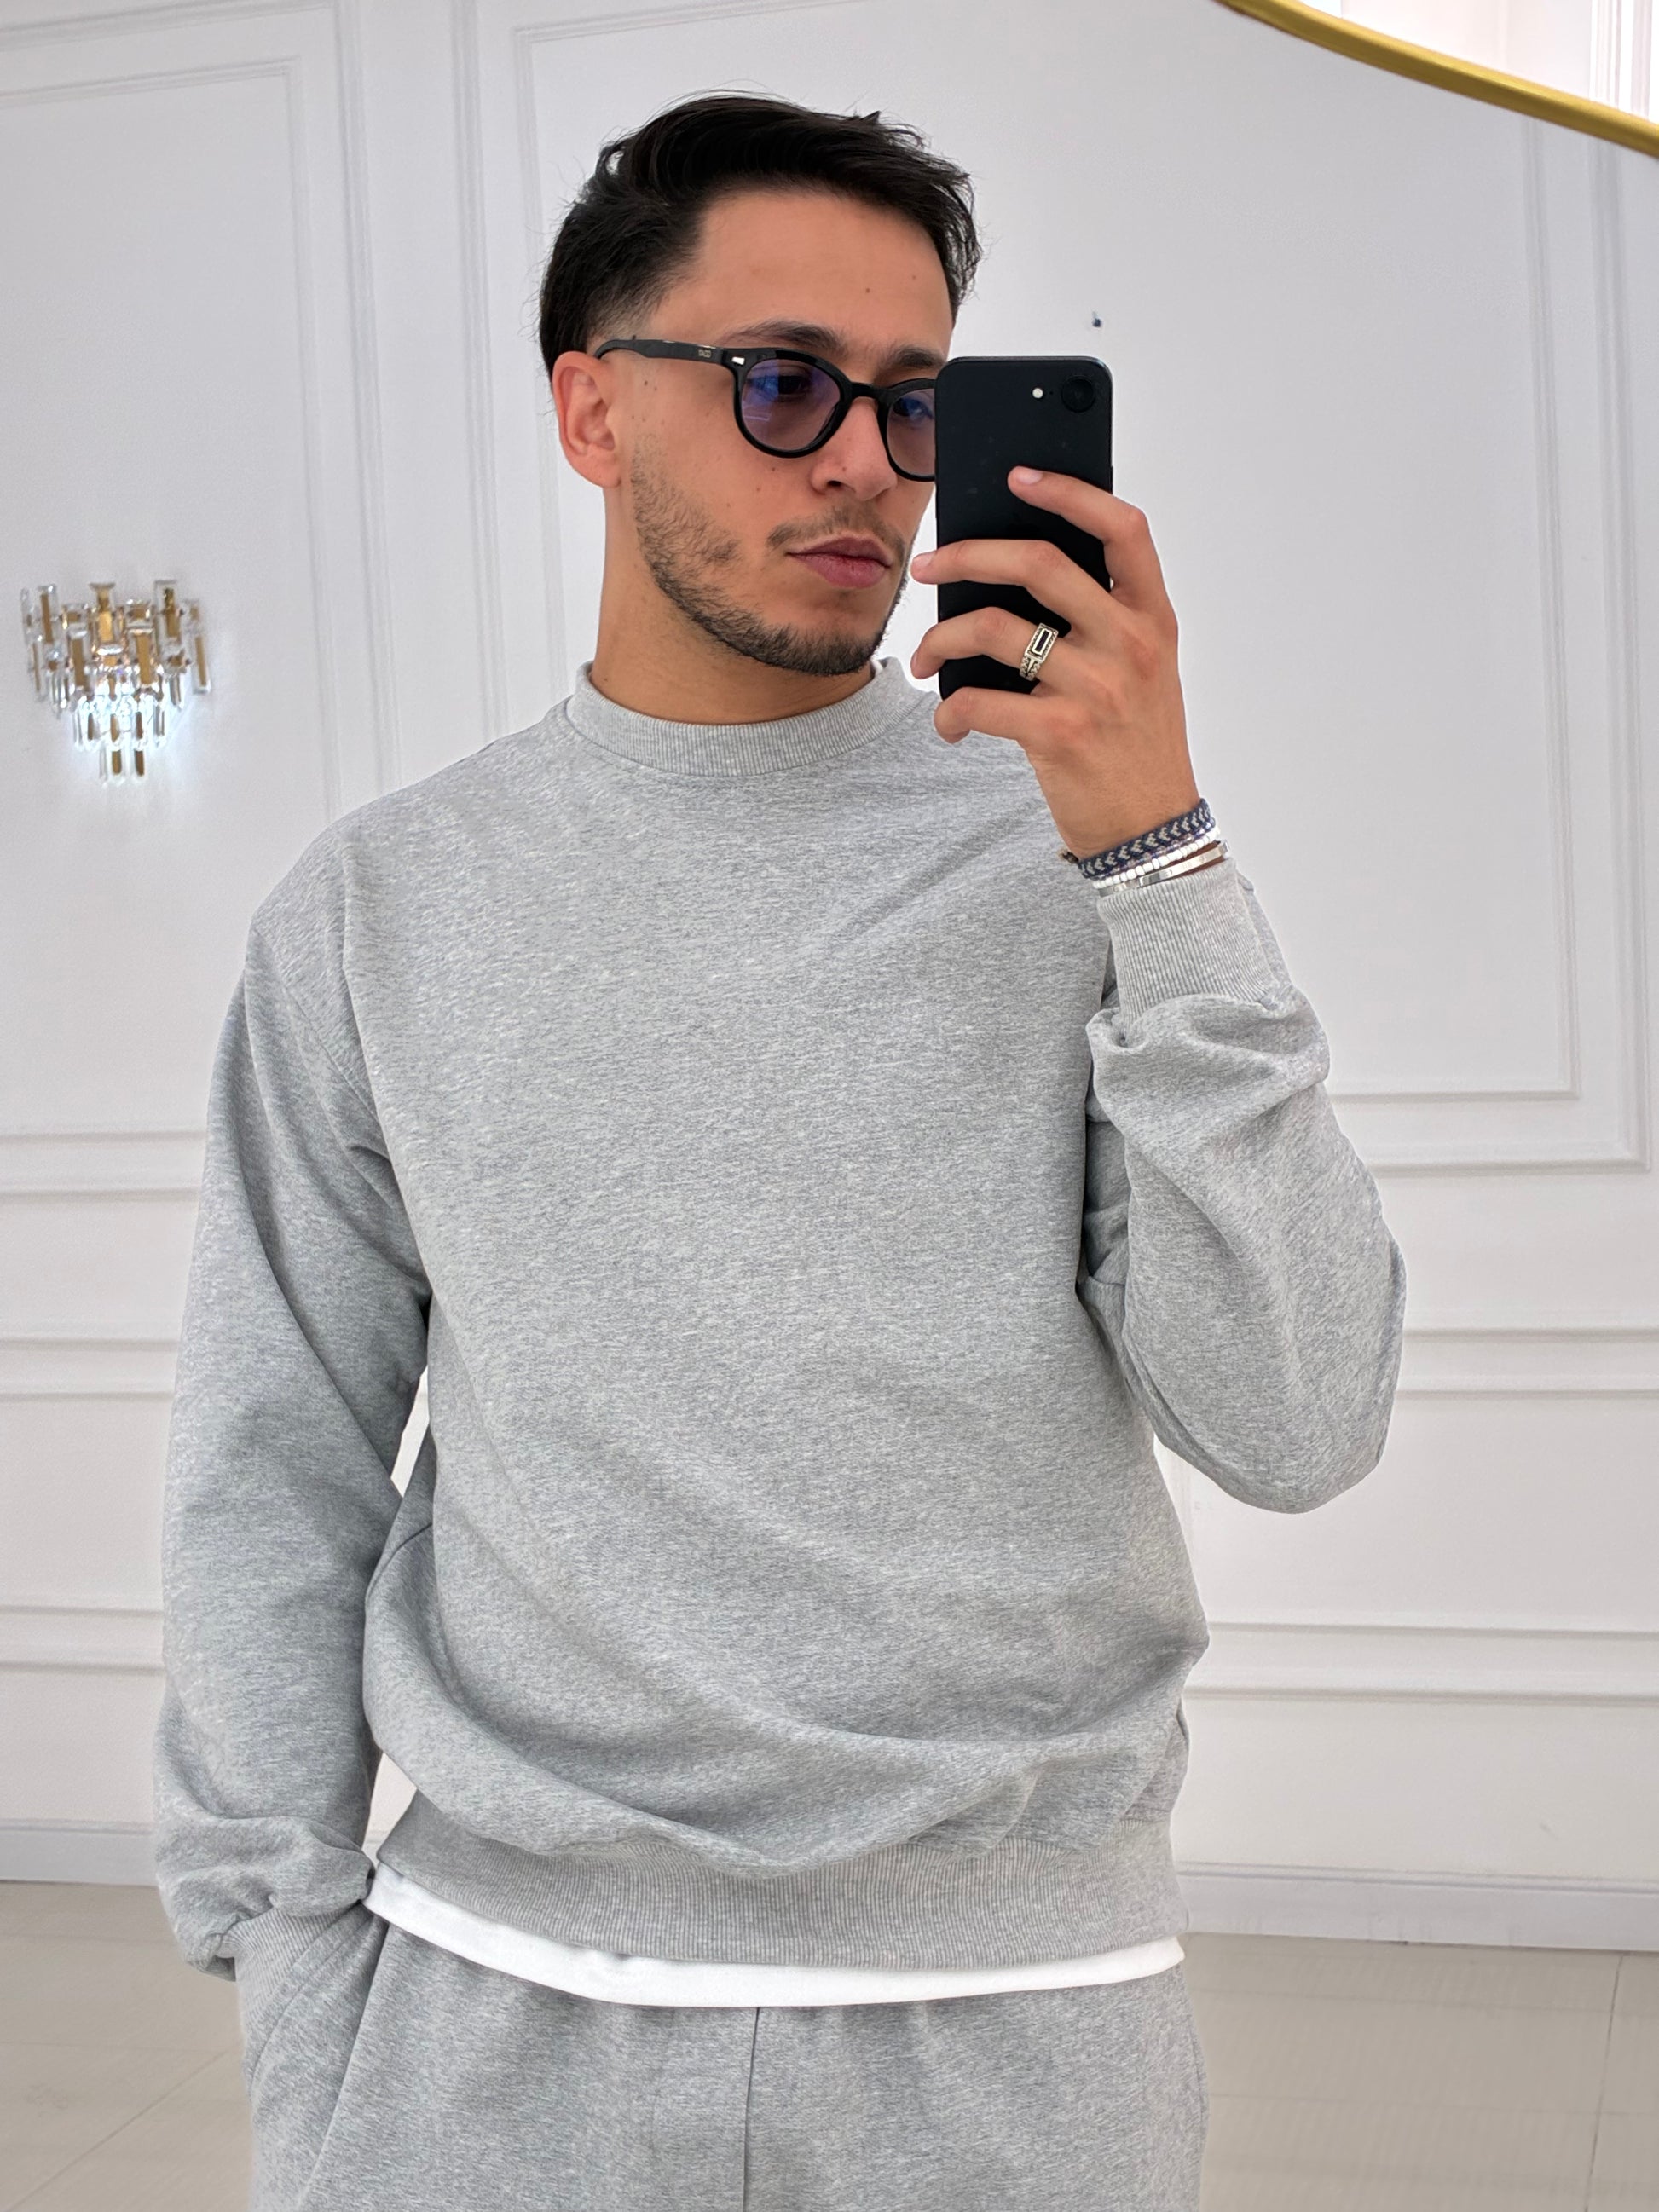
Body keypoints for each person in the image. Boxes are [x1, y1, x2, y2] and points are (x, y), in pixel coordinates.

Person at [153, 90, 1408, 2212]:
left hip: (1018, 2037)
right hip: (484, 2029)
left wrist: (1163, 855)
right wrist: (285, 1961)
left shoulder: (1079, 866)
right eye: (779, 380)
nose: (860, 462)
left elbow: (1300, 1419)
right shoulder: (380, 906)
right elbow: (275, 1460)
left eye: (915, 401)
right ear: (592, 409)